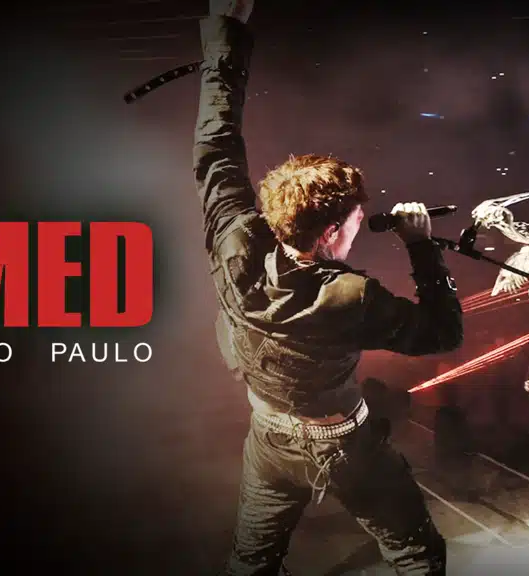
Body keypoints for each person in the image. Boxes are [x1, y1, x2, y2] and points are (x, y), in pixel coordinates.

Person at [196, 2, 463, 573]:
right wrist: (422, 246)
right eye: (356, 222)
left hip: (268, 437)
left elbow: (214, 146)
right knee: (416, 553)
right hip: (343, 446)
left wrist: (226, 34)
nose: (359, 229)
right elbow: (443, 334)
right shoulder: (350, 297)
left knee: (252, 561)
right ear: (330, 232)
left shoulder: (234, 241)